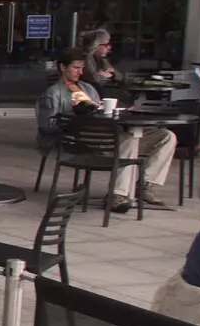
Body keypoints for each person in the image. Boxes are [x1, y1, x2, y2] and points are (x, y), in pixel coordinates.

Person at [36, 49, 172, 213]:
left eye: (82, 68)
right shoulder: (53, 94)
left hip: (108, 135)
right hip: (84, 141)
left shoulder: (87, 88)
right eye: (76, 67)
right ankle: (117, 195)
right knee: (130, 141)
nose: (80, 72)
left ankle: (146, 185)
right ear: (63, 67)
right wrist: (72, 117)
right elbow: (47, 125)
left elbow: (100, 110)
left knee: (166, 136)